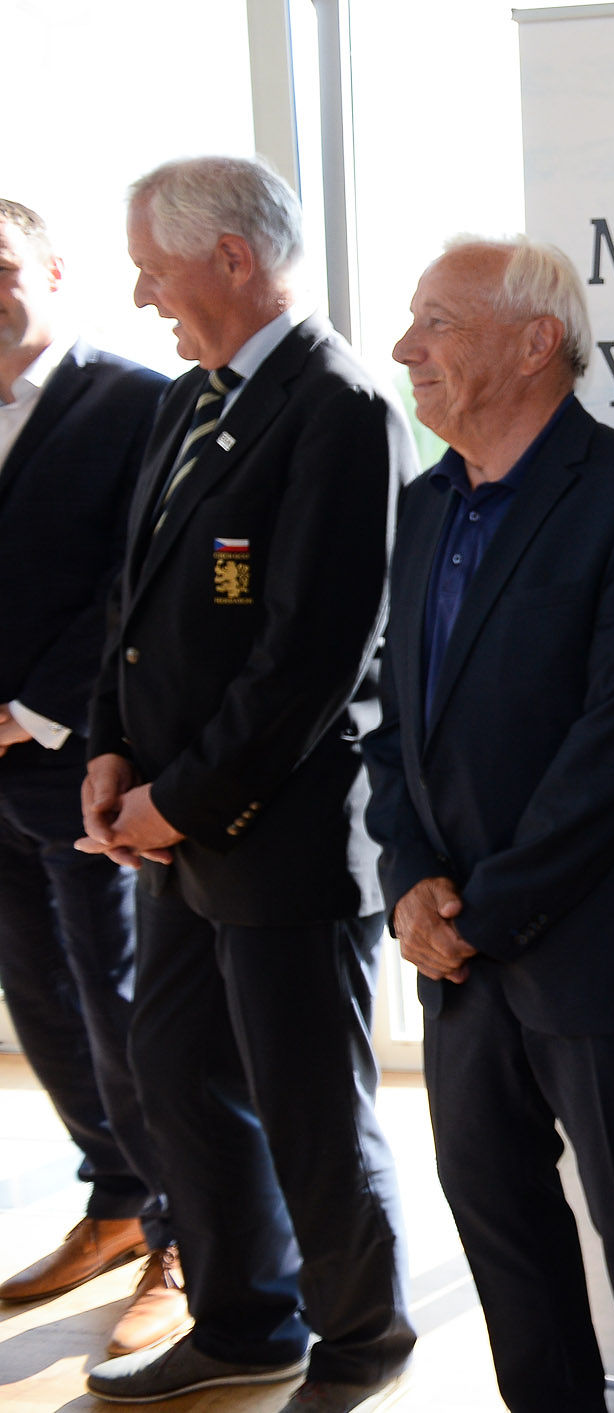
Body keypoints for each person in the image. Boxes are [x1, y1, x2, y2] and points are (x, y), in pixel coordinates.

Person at [365, 235, 614, 1413]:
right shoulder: (423, 507)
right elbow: (396, 725)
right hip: (458, 958)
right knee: (505, 1240)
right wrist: (411, 881)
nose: (404, 348)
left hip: (605, 954)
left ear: (536, 342)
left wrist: (484, 912)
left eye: (437, 322)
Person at [79, 156, 415, 1411]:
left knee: (309, 1106)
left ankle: (362, 1343)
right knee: (176, 1071)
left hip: (282, 837)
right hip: (175, 825)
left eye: (153, 268)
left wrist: (178, 802)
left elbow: (311, 660)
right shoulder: (188, 400)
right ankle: (243, 1323)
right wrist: (111, 749)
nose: (141, 292)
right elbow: (133, 600)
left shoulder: (340, 407)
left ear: (230, 257)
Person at [0, 198, 183, 1356]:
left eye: (0, 264)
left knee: (127, 1008)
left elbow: (138, 582)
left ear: (54, 272)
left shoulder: (134, 401)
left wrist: (26, 714)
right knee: (41, 1003)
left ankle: (187, 1235)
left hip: (82, 761)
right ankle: (115, 1202)